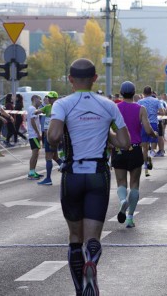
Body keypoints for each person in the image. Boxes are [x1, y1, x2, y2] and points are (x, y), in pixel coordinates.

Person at [47, 58, 130, 296]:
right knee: (92, 238)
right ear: (95, 79)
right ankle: (91, 264)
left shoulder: (62, 104)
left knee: (75, 237)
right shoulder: (108, 105)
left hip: (73, 173)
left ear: (70, 80)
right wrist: (106, 133)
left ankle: (79, 289)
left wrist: (62, 128)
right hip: (98, 174)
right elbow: (124, 143)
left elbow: (53, 137)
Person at [114, 81, 157, 228]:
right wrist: (154, 135)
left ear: (121, 93)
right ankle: (130, 218)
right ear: (134, 93)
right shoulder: (141, 109)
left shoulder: (115, 108)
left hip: (119, 148)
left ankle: (122, 201)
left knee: (121, 182)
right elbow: (148, 128)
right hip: (135, 148)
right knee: (134, 184)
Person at [36, 91, 61, 186]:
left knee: (48, 157)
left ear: (56, 98)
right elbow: (37, 111)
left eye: (51, 98)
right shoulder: (47, 107)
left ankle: (48, 178)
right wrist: (35, 111)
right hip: (48, 135)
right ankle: (63, 165)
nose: (49, 99)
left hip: (52, 136)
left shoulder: (58, 108)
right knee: (55, 156)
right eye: (48, 98)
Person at [27, 95, 44, 180]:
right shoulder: (32, 109)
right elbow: (32, 121)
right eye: (39, 99)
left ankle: (33, 171)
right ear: (34, 99)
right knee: (35, 153)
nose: (41, 101)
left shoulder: (33, 109)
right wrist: (38, 133)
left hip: (34, 134)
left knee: (36, 153)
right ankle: (31, 172)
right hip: (33, 135)